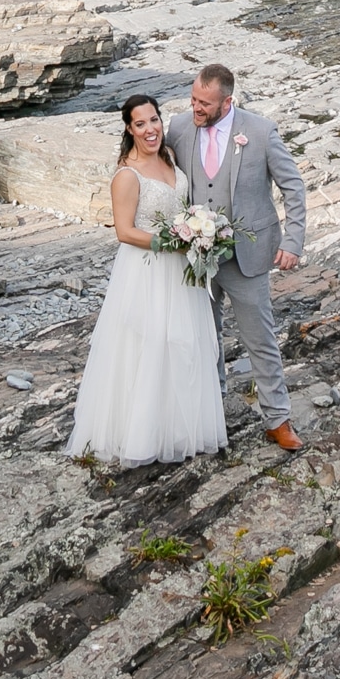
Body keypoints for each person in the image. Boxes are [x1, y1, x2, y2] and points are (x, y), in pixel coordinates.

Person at [65, 92, 228, 468]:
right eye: (141, 124)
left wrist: (199, 232)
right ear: (129, 129)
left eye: (154, 120)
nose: (151, 129)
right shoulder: (127, 175)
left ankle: (178, 430)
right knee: (149, 345)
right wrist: (172, 242)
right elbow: (124, 231)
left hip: (181, 273)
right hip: (147, 271)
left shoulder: (169, 156)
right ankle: (141, 435)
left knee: (183, 343)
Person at [165, 61, 309, 451]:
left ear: (227, 102)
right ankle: (212, 414)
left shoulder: (260, 132)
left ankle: (277, 419)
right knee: (203, 339)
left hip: (249, 257)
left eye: (205, 104)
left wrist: (293, 241)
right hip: (196, 256)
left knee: (260, 339)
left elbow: (293, 186)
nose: (196, 108)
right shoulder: (178, 128)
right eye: (193, 99)